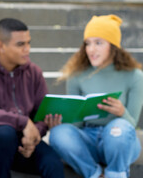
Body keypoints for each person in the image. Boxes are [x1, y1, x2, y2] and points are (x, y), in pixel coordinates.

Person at [48, 15, 143, 178]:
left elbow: (131, 125)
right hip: (88, 138)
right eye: (88, 43)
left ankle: (116, 174)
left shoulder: (135, 76)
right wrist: (61, 122)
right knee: (58, 134)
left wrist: (122, 112)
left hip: (119, 140)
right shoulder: (76, 75)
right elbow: (75, 126)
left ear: (113, 46)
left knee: (119, 128)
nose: (91, 49)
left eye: (98, 43)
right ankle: (95, 174)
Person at [0, 18, 65, 178]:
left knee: (53, 163)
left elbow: (42, 113)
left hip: (24, 145)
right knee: (5, 133)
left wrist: (34, 137)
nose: (27, 49)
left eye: (28, 43)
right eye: (20, 44)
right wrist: (23, 121)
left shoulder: (34, 72)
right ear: (1, 46)